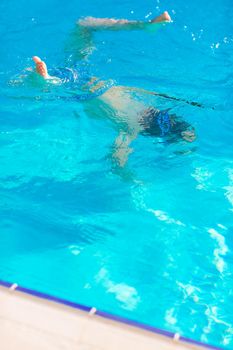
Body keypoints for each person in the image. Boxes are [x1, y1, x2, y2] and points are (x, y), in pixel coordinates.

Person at [32, 11, 196, 167]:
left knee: (83, 25)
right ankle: (47, 80)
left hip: (90, 80)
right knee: (64, 78)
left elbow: (173, 99)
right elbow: (117, 156)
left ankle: (145, 26)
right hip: (81, 91)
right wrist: (128, 177)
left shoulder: (149, 99)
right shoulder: (131, 128)